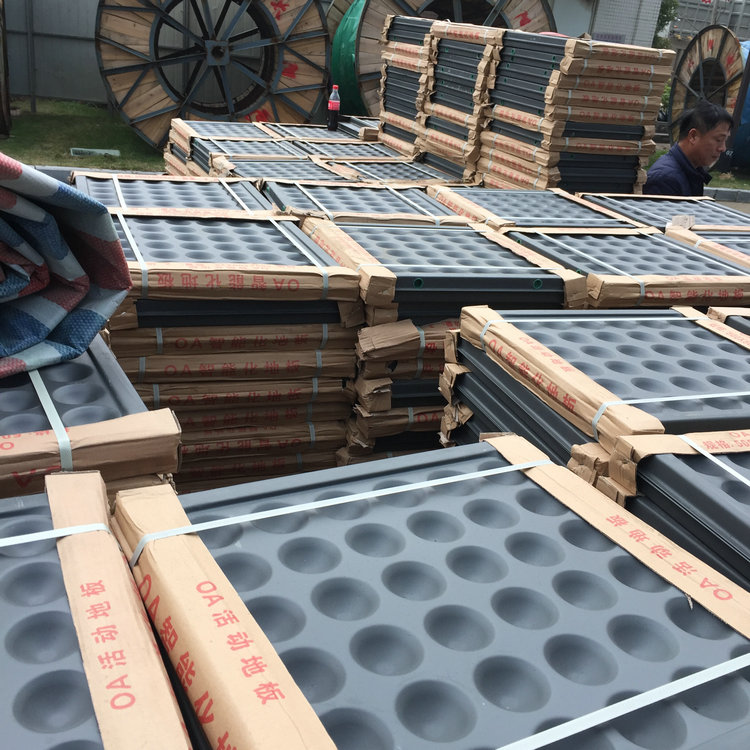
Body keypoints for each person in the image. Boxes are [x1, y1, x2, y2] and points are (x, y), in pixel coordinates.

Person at [643, 99, 733, 196]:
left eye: (725, 140)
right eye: (719, 140)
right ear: (693, 136)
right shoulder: (665, 180)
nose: (723, 148)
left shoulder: (692, 172)